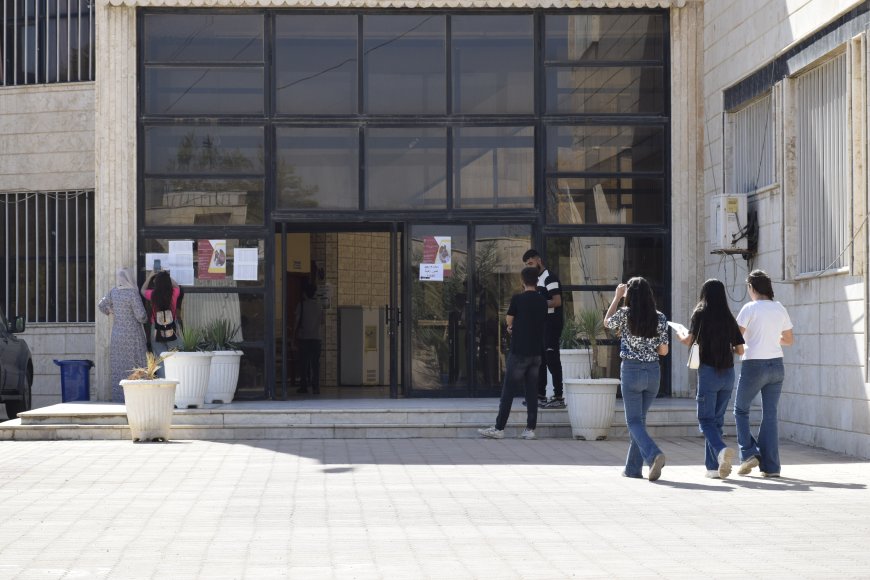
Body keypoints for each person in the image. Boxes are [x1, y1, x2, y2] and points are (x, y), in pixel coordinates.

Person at [678, 279, 745, 479]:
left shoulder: (700, 313)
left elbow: (689, 340)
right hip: (728, 374)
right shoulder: (728, 317)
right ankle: (713, 468)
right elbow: (740, 350)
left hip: (708, 373)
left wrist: (680, 334)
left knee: (705, 420)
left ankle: (721, 449)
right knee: (716, 422)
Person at [604, 277, 669, 481]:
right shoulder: (660, 317)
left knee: (633, 421)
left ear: (630, 295)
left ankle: (653, 454)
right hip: (653, 372)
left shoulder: (625, 314)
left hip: (631, 370)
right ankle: (632, 469)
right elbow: (664, 351)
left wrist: (617, 297)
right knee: (639, 421)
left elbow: (607, 322)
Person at [733, 270, 794, 478]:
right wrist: (771, 338)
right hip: (777, 365)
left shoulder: (749, 308)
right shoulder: (779, 308)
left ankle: (749, 453)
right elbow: (789, 340)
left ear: (752, 287)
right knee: (770, 414)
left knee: (741, 409)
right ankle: (771, 467)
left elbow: (736, 338)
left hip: (754, 364)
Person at [479, 267, 547, 440]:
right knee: (531, 392)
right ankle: (530, 429)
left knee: (508, 391)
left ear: (522, 281)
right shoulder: (542, 301)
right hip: (536, 352)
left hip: (519, 351)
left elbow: (509, 319)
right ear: (537, 281)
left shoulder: (518, 298)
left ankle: (499, 428)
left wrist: (512, 327)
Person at [522, 249, 565, 409]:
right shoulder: (536, 281)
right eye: (527, 265)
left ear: (538, 260)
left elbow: (557, 301)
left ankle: (559, 397)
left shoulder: (549, 277)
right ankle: (540, 395)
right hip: (540, 325)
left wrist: (537, 302)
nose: (529, 267)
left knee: (552, 361)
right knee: (540, 362)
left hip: (551, 325)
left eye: (531, 263)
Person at [98, 268, 148, 403]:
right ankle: (138, 397)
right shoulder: (132, 293)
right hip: (133, 336)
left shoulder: (114, 292)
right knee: (136, 364)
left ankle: (120, 397)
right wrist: (146, 319)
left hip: (117, 336)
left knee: (119, 368)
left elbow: (101, 305)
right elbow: (141, 316)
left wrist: (111, 311)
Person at [140, 270, 182, 378]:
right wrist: (166, 275)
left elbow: (142, 290)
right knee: (176, 355)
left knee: (160, 357)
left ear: (157, 283)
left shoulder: (152, 294)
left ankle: (164, 381)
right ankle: (177, 379)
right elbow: (176, 286)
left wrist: (150, 276)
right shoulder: (174, 293)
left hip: (156, 329)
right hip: (172, 328)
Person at [295, 282, 323, 395]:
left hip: (304, 338)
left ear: (305, 293)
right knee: (315, 364)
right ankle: (316, 387)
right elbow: (322, 321)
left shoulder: (301, 305)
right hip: (317, 338)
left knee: (304, 364)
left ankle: (304, 386)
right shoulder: (319, 305)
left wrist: (293, 335)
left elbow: (296, 321)